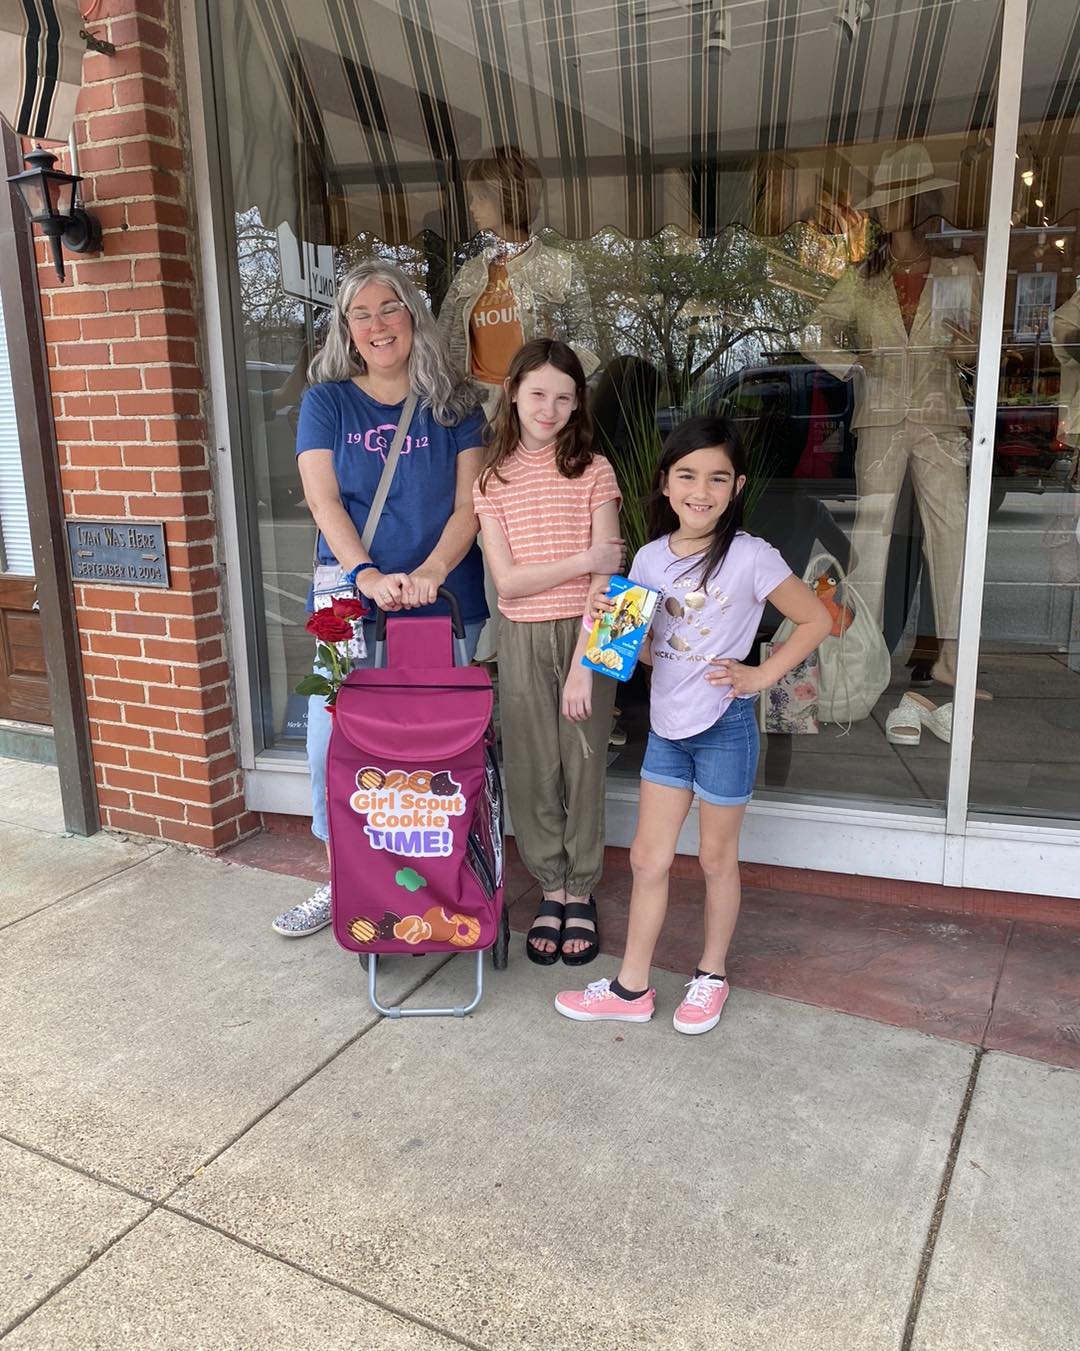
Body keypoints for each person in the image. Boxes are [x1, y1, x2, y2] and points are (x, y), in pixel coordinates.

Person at [555, 416, 831, 1031]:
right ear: (665, 483)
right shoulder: (650, 559)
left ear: (737, 487)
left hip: (726, 726)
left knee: (714, 860)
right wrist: (603, 624)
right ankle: (631, 990)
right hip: (668, 730)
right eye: (686, 475)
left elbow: (815, 620)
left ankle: (711, 976)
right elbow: (649, 651)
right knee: (649, 861)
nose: (699, 490)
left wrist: (760, 676)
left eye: (716, 477)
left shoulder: (752, 556)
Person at [272, 260, 487, 937]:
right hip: (350, 605)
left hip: (440, 603)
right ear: (346, 328)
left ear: (412, 315)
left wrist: (431, 570)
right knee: (331, 745)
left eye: (388, 307)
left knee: (432, 752)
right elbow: (322, 498)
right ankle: (342, 881)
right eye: (359, 313)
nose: (375, 324)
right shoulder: (327, 401)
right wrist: (364, 573)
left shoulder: (457, 403)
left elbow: (468, 506)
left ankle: (441, 882)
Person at [473, 339, 622, 965]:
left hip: (597, 630)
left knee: (584, 765)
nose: (550, 407)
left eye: (564, 397)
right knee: (533, 765)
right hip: (523, 633)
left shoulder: (595, 470)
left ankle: (581, 891)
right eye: (538, 393)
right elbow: (507, 583)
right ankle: (552, 887)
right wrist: (581, 559)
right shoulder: (491, 478)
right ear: (513, 393)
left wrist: (587, 665)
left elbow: (610, 578)